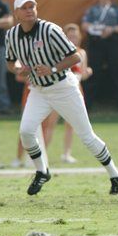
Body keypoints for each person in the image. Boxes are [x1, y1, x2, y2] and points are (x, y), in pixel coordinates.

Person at [5, 0, 118, 195]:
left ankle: (117, 176)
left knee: (87, 136)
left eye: (32, 6)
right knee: (26, 131)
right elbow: (10, 61)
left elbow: (75, 57)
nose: (29, 11)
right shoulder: (11, 35)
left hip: (63, 87)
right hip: (39, 90)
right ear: (16, 13)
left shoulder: (49, 30)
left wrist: (52, 68)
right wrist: (18, 69)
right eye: (24, 8)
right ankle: (42, 171)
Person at [40, 23, 93, 164]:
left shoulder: (82, 52)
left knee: (71, 124)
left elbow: (82, 73)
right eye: (70, 36)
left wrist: (87, 73)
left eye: (75, 36)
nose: (73, 38)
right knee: (51, 123)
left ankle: (67, 153)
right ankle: (43, 153)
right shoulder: (60, 52)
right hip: (60, 90)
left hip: (75, 89)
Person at [81, 0, 118, 112]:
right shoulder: (92, 10)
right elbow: (84, 25)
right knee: (93, 75)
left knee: (117, 74)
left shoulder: (116, 10)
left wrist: (111, 29)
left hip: (113, 43)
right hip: (96, 44)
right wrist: (95, 28)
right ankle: (87, 106)